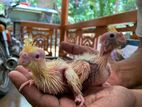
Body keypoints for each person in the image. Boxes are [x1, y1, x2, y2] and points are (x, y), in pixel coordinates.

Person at [8, 0, 142, 107]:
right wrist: (34, 78)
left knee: (81, 67)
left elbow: (70, 72)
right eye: (113, 36)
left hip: (76, 75)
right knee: (81, 67)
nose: (120, 36)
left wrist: (78, 93)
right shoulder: (87, 67)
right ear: (105, 42)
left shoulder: (104, 69)